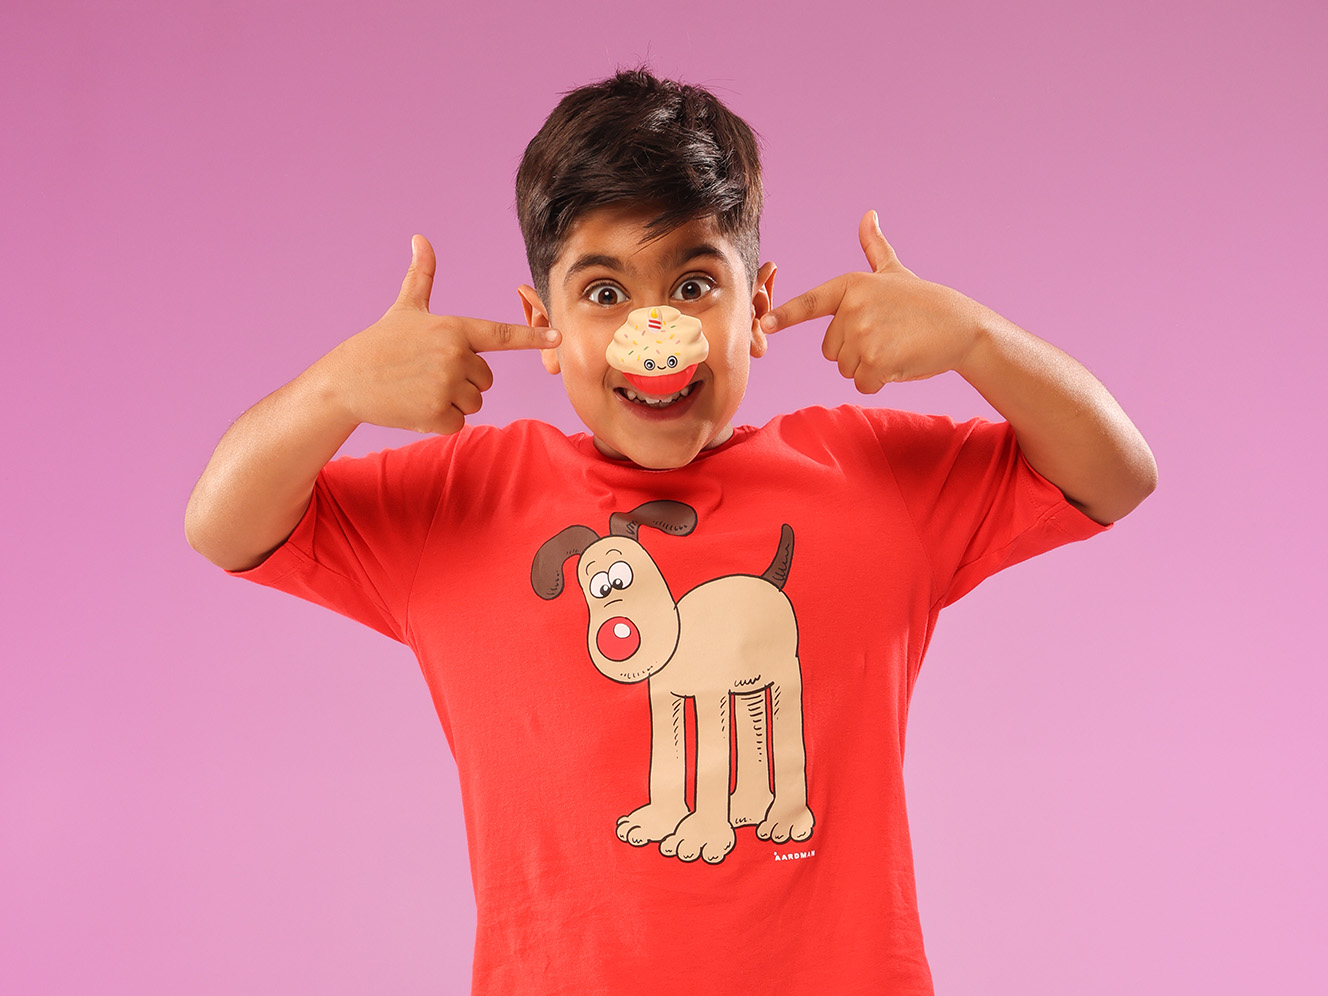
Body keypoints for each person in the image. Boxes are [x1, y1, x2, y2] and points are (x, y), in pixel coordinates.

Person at [185, 68, 1156, 995]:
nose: (659, 330)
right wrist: (334, 392)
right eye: (603, 294)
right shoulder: (463, 501)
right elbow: (222, 527)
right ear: (543, 321)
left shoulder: (870, 477)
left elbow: (1114, 472)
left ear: (757, 304)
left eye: (694, 283)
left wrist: (976, 340)